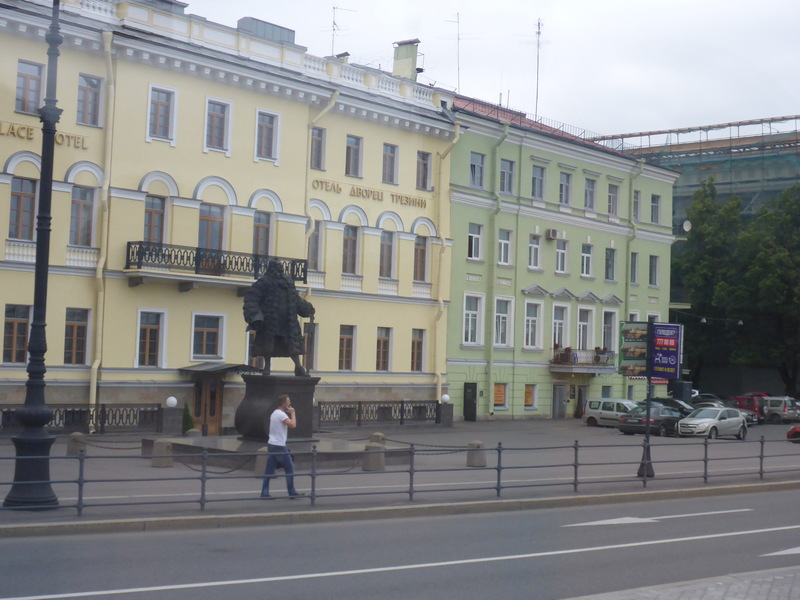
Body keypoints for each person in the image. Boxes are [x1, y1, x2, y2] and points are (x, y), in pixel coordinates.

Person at [243, 260, 315, 376]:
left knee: (292, 343)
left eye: (281, 266)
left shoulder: (288, 283)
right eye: (278, 266)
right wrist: (255, 315)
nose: (281, 268)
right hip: (270, 320)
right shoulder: (264, 282)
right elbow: (251, 299)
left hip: (288, 321)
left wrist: (307, 308)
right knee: (268, 344)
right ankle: (267, 366)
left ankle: (298, 367)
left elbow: (295, 299)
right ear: (272, 268)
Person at [261, 394, 305, 499]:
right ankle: (292, 492)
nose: (290, 403)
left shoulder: (274, 413)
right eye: (288, 401)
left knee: (269, 469)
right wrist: (293, 413)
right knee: (289, 468)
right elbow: (293, 425)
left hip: (271, 444)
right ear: (284, 403)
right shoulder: (281, 415)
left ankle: (264, 492)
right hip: (279, 446)